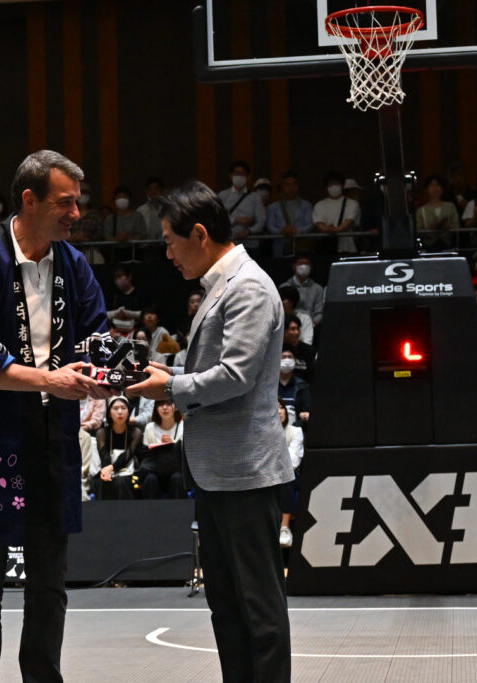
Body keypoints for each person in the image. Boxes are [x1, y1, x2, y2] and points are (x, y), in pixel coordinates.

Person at [0, 150, 109, 682]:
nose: (76, 214)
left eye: (78, 203)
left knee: (49, 579)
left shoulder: (73, 265)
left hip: (51, 434)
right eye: (66, 203)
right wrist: (50, 379)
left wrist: (113, 369)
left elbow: (97, 336)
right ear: (30, 200)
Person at [127, 179, 292, 681]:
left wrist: (170, 386)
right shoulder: (224, 284)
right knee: (226, 605)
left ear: (199, 234)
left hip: (245, 472)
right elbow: (217, 372)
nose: (168, 255)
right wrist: (170, 375)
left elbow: (236, 376)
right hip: (219, 472)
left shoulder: (248, 287)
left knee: (259, 608)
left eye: (170, 242)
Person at [93, 395, 142, 500]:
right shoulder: (102, 432)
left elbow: (127, 456)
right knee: (101, 482)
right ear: (109, 413)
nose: (120, 412)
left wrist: (111, 468)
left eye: (123, 408)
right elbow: (104, 456)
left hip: (128, 471)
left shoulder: (136, 432)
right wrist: (107, 472)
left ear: (128, 412)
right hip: (107, 469)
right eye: (115, 408)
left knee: (121, 482)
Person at [138, 398, 185, 499]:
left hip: (176, 470)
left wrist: (173, 444)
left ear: (176, 407)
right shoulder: (150, 427)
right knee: (150, 479)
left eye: (168, 404)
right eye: (160, 404)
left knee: (178, 479)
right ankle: (149, 509)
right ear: (156, 408)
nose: (164, 407)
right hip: (155, 471)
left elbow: (186, 454)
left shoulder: (183, 426)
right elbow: (146, 456)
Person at [217, 160, 266, 248]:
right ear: (231, 176)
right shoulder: (222, 196)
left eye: (243, 173)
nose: (239, 176)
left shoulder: (255, 197)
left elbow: (261, 220)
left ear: (247, 176)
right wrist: (236, 220)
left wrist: (249, 231)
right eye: (237, 173)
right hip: (228, 245)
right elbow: (217, 218)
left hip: (250, 245)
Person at [266, 170, 314, 257]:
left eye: (294, 184)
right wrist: (281, 231)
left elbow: (310, 224)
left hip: (300, 248)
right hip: (280, 248)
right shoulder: (273, 207)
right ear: (282, 187)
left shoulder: (306, 205)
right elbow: (270, 226)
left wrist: (297, 231)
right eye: (287, 185)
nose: (291, 188)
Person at [277, 398, 304, 549]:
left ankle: (285, 528)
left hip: (292, 477)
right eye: (275, 408)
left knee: (286, 479)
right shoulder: (261, 434)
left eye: (281, 407)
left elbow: (293, 462)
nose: (279, 411)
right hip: (268, 476)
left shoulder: (295, 432)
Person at [312, 171, 360, 254]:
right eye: (331, 184)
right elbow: (319, 223)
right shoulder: (319, 205)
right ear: (326, 187)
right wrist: (328, 229)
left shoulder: (352, 203)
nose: (334, 186)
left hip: (347, 247)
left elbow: (349, 221)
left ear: (342, 186)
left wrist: (336, 229)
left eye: (336, 184)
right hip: (326, 248)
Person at [414, 174, 459, 249]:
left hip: (448, 246)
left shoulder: (450, 206)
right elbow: (418, 232)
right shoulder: (421, 211)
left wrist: (448, 227)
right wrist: (432, 227)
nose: (435, 188)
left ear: (442, 188)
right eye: (431, 185)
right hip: (428, 247)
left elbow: (457, 227)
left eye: (438, 185)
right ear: (426, 189)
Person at [285, 255, 325, 326]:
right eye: (300, 263)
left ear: (311, 267)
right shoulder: (285, 287)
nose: (304, 266)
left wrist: (312, 325)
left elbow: (320, 312)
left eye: (306, 263)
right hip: (290, 326)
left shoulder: (318, 288)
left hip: (312, 325)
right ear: (294, 267)